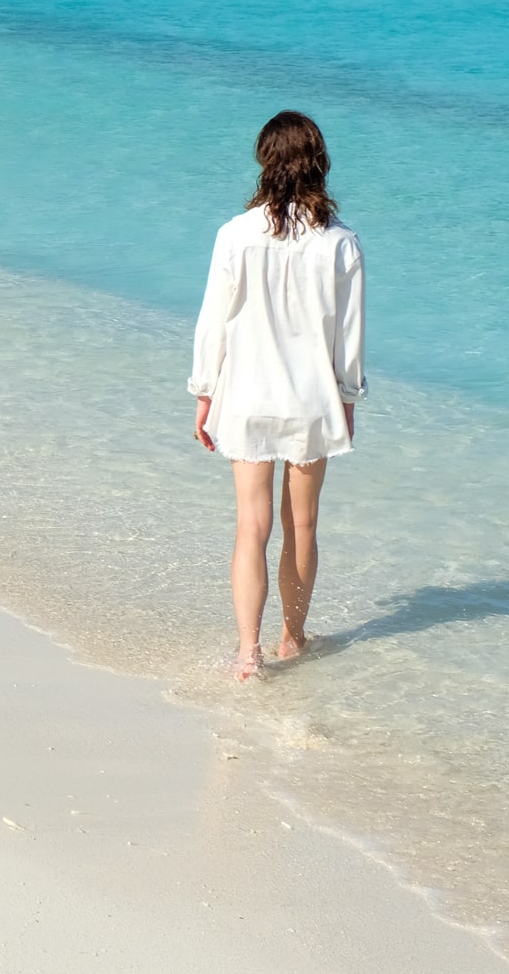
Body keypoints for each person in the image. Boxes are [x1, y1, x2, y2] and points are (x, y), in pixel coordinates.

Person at [189, 111, 366, 681]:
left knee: (252, 525)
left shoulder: (235, 235)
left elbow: (213, 323)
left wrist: (204, 392)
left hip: (245, 395)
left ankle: (248, 653)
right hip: (311, 400)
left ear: (265, 161)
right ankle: (292, 638)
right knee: (303, 527)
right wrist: (348, 399)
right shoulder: (341, 243)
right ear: (319, 164)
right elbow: (350, 333)